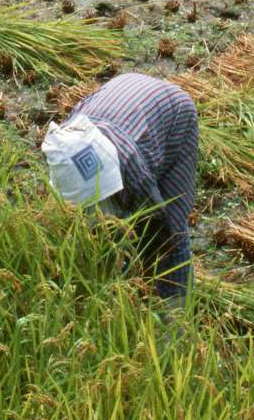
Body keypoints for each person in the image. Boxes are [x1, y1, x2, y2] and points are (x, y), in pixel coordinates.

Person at [70, 72, 199, 300]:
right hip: (122, 97)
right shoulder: (63, 145)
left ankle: (177, 314)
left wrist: (144, 274)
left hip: (173, 112)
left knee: (171, 225)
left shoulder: (131, 170)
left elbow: (159, 225)